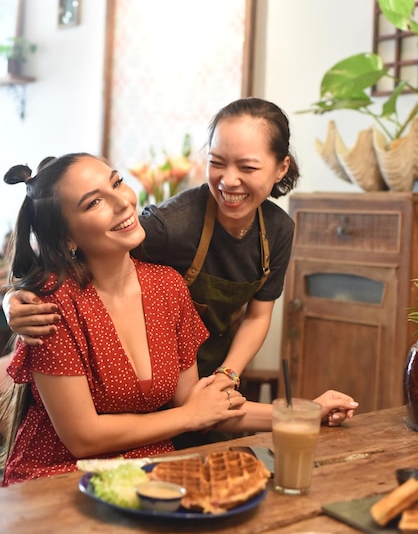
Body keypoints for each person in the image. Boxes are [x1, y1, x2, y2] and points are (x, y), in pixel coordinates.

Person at [0, 154, 358, 487]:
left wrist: (308, 414)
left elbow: (201, 403)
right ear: (68, 238)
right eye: (94, 202)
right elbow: (83, 437)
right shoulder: (51, 305)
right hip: (58, 479)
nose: (123, 201)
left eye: (117, 182)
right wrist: (189, 417)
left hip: (148, 475)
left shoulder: (167, 287)